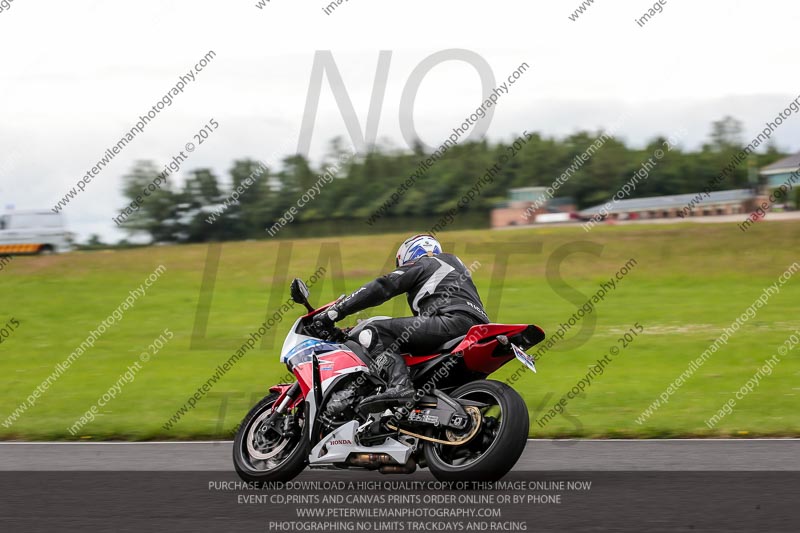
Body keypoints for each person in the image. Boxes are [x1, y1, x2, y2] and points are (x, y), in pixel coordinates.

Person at [313, 234, 489, 410]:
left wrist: (336, 311)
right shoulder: (456, 268)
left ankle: (400, 386)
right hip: (479, 329)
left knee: (373, 332)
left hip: (450, 322)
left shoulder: (426, 262)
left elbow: (383, 286)